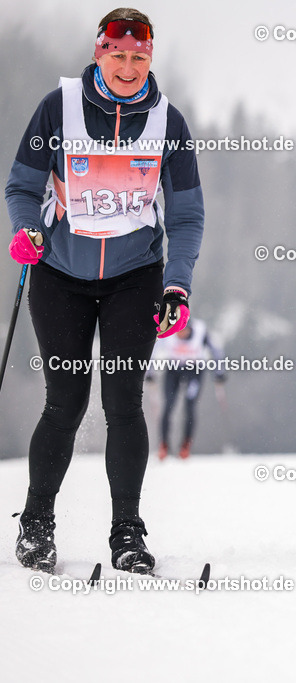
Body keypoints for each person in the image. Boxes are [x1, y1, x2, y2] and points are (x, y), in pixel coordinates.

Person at [5, 8, 203, 574]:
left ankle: (127, 533)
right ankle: (37, 524)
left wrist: (177, 283)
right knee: (64, 401)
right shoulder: (58, 107)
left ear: (150, 59)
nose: (127, 66)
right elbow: (22, 185)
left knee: (124, 404)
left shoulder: (170, 123)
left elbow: (187, 215)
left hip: (135, 278)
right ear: (99, 53)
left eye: (139, 57)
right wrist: (28, 229)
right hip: (60, 275)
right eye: (117, 54)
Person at [148, 318, 225, 459]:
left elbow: (216, 350)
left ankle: (186, 445)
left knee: (189, 406)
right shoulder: (169, 330)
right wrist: (149, 371)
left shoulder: (201, 331)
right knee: (168, 405)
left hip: (194, 371)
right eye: (178, 331)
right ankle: (164, 444)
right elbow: (153, 350)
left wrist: (219, 372)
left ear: (189, 329)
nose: (180, 334)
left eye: (183, 331)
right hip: (173, 369)